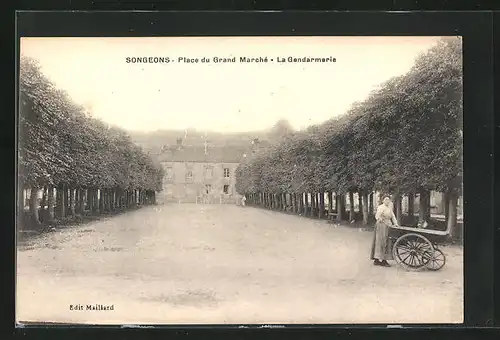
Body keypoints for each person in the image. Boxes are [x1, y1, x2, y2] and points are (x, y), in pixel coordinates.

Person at [370, 195, 398, 267]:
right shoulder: (381, 207)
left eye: (388, 199)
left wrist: (396, 224)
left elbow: (393, 216)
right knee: (381, 242)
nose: (387, 201)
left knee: (387, 242)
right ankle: (379, 260)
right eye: (385, 199)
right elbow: (377, 216)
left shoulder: (389, 207)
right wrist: (380, 219)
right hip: (381, 226)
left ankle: (383, 260)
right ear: (383, 201)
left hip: (388, 225)